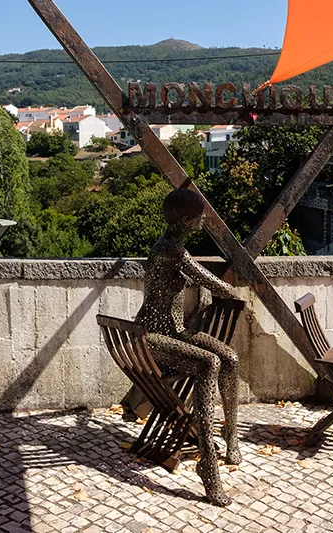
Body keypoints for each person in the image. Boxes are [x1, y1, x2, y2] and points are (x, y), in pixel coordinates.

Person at [135, 187, 242, 507]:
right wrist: (231, 292)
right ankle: (207, 464)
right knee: (209, 363)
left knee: (231, 358)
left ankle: (231, 436)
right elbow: (206, 277)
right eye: (199, 215)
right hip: (155, 340)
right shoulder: (170, 249)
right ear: (184, 220)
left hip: (175, 334)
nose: (204, 218)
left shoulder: (170, 244)